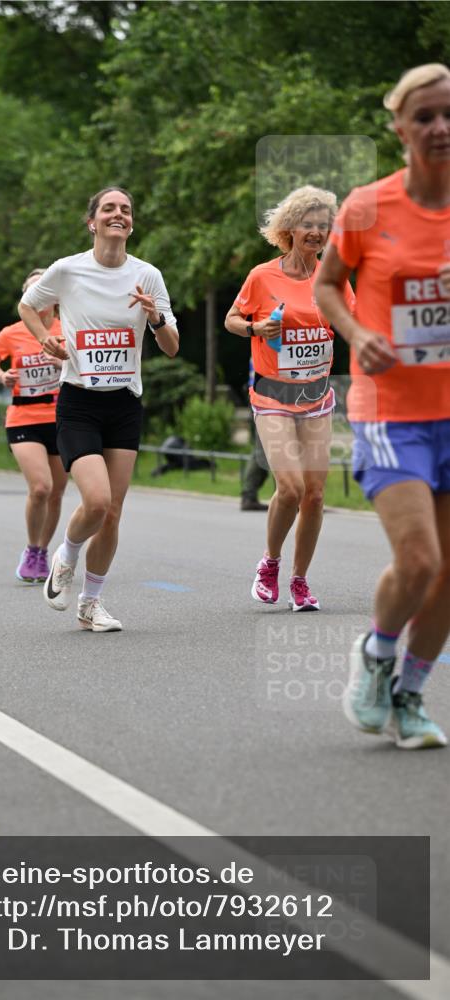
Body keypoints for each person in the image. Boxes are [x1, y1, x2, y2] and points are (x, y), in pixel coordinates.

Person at [316, 63, 450, 749]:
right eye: (424, 115)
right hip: (390, 410)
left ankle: (410, 694)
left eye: (448, 114)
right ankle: (374, 659)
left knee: (447, 573)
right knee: (419, 559)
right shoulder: (368, 207)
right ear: (398, 126)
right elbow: (327, 285)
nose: (439, 127)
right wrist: (358, 332)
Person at [18, 186, 179, 631]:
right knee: (97, 499)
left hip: (125, 403)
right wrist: (44, 338)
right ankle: (65, 556)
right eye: (109, 208)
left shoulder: (149, 276)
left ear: (131, 223)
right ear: (93, 221)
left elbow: (171, 347)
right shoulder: (68, 270)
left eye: (125, 209)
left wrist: (155, 318)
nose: (118, 214)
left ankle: (91, 604)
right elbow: (27, 305)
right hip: (80, 403)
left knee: (113, 511)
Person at [225, 186, 354, 610]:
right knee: (292, 487)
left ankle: (299, 580)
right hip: (273, 395)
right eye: (308, 225)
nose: (316, 232)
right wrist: (255, 330)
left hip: (317, 394)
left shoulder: (333, 276)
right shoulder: (264, 276)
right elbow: (232, 319)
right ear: (289, 230)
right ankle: (271, 562)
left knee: (316, 493)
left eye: (323, 225)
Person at [0, 269, 67, 583]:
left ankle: (42, 551)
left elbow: (85, 364)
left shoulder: (67, 327)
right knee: (41, 487)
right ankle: (32, 549)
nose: (37, 297)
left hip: (60, 419)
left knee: (57, 492)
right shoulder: (11, 333)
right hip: (23, 419)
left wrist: (64, 363)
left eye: (43, 290)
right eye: (30, 291)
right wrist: (1, 375)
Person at [241, 359, 270, 511]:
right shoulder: (263, 337)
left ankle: (249, 495)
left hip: (268, 394)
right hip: (265, 397)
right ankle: (249, 495)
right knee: (263, 449)